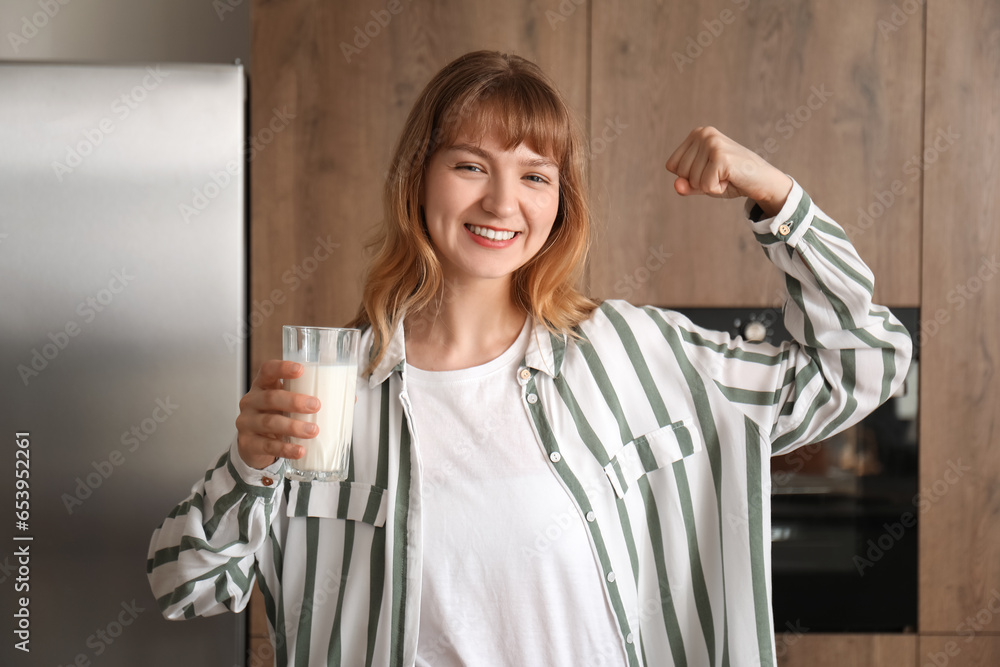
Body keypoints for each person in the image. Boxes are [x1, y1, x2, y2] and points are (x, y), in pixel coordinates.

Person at [147, 51, 912, 667]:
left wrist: (776, 197)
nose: (502, 202)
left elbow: (865, 359)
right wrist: (249, 467)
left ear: (559, 204)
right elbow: (188, 583)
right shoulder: (335, 393)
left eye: (535, 175)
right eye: (471, 165)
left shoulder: (632, 355)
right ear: (418, 178)